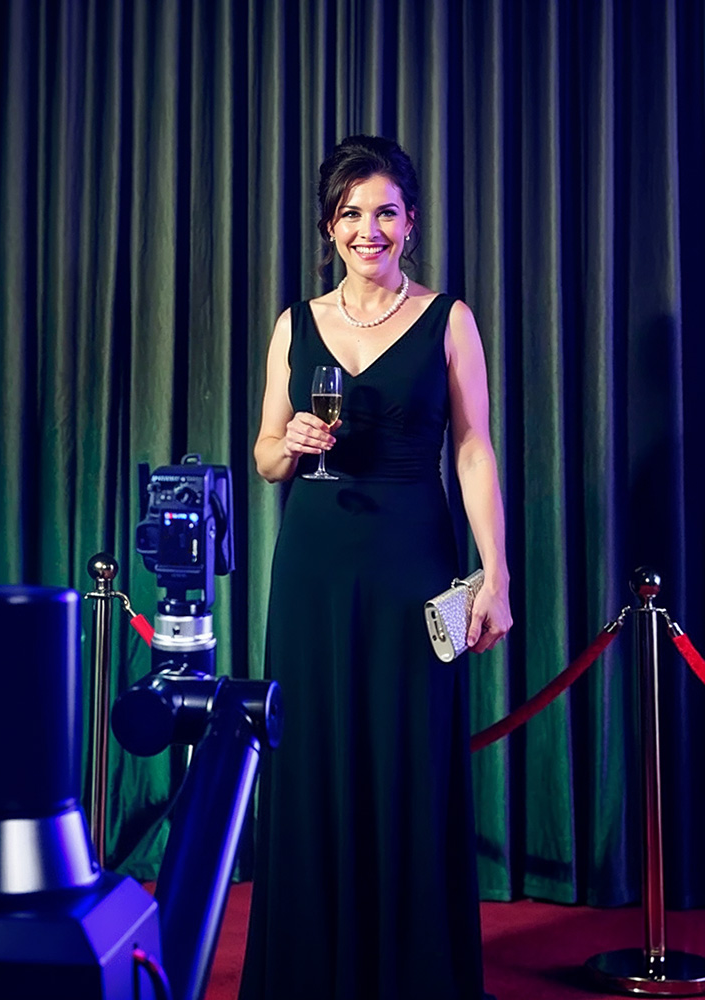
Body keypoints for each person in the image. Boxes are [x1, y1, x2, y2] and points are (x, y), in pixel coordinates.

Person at [238, 135, 512, 1000]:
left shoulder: (449, 318)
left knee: (408, 760)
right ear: (330, 226)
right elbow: (264, 457)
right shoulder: (295, 323)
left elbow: (473, 450)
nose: (370, 229)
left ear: (410, 222)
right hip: (313, 566)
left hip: (413, 563)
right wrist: (290, 441)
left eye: (385, 212)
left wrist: (496, 574)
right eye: (352, 213)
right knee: (312, 758)